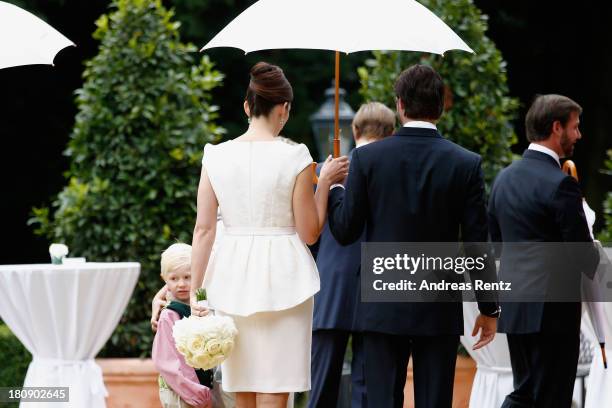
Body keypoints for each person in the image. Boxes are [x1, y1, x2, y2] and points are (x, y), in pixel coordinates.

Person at [326, 64, 500, 408]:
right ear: (441, 107)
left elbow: (345, 230)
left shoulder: (367, 158)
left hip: (381, 304)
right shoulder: (466, 163)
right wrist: (489, 307)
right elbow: (477, 243)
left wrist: (334, 189)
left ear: (400, 105)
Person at [189, 62, 349, 408]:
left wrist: (197, 294)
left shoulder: (214, 156)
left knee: (241, 387)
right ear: (284, 109)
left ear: (248, 107)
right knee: (277, 387)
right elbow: (310, 232)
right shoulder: (296, 157)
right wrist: (324, 185)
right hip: (286, 278)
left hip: (230, 276)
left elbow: (204, 230)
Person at [488, 94, 600, 408]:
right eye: (575, 127)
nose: (578, 135)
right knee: (551, 397)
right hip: (553, 314)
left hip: (516, 308)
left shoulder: (503, 180)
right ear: (556, 127)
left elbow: (495, 243)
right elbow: (584, 260)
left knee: (524, 393)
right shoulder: (561, 185)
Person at [308, 102, 395, 408]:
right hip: (379, 286)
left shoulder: (323, 171)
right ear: (392, 133)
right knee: (367, 389)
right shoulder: (393, 174)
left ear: (354, 130)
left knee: (321, 388)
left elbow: (311, 234)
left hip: (330, 286)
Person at [152, 243, 213, 408]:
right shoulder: (169, 314)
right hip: (181, 393)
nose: (181, 284)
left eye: (188, 277)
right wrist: (198, 394)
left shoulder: (201, 299)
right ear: (164, 279)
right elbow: (168, 363)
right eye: (174, 279)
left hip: (203, 389)